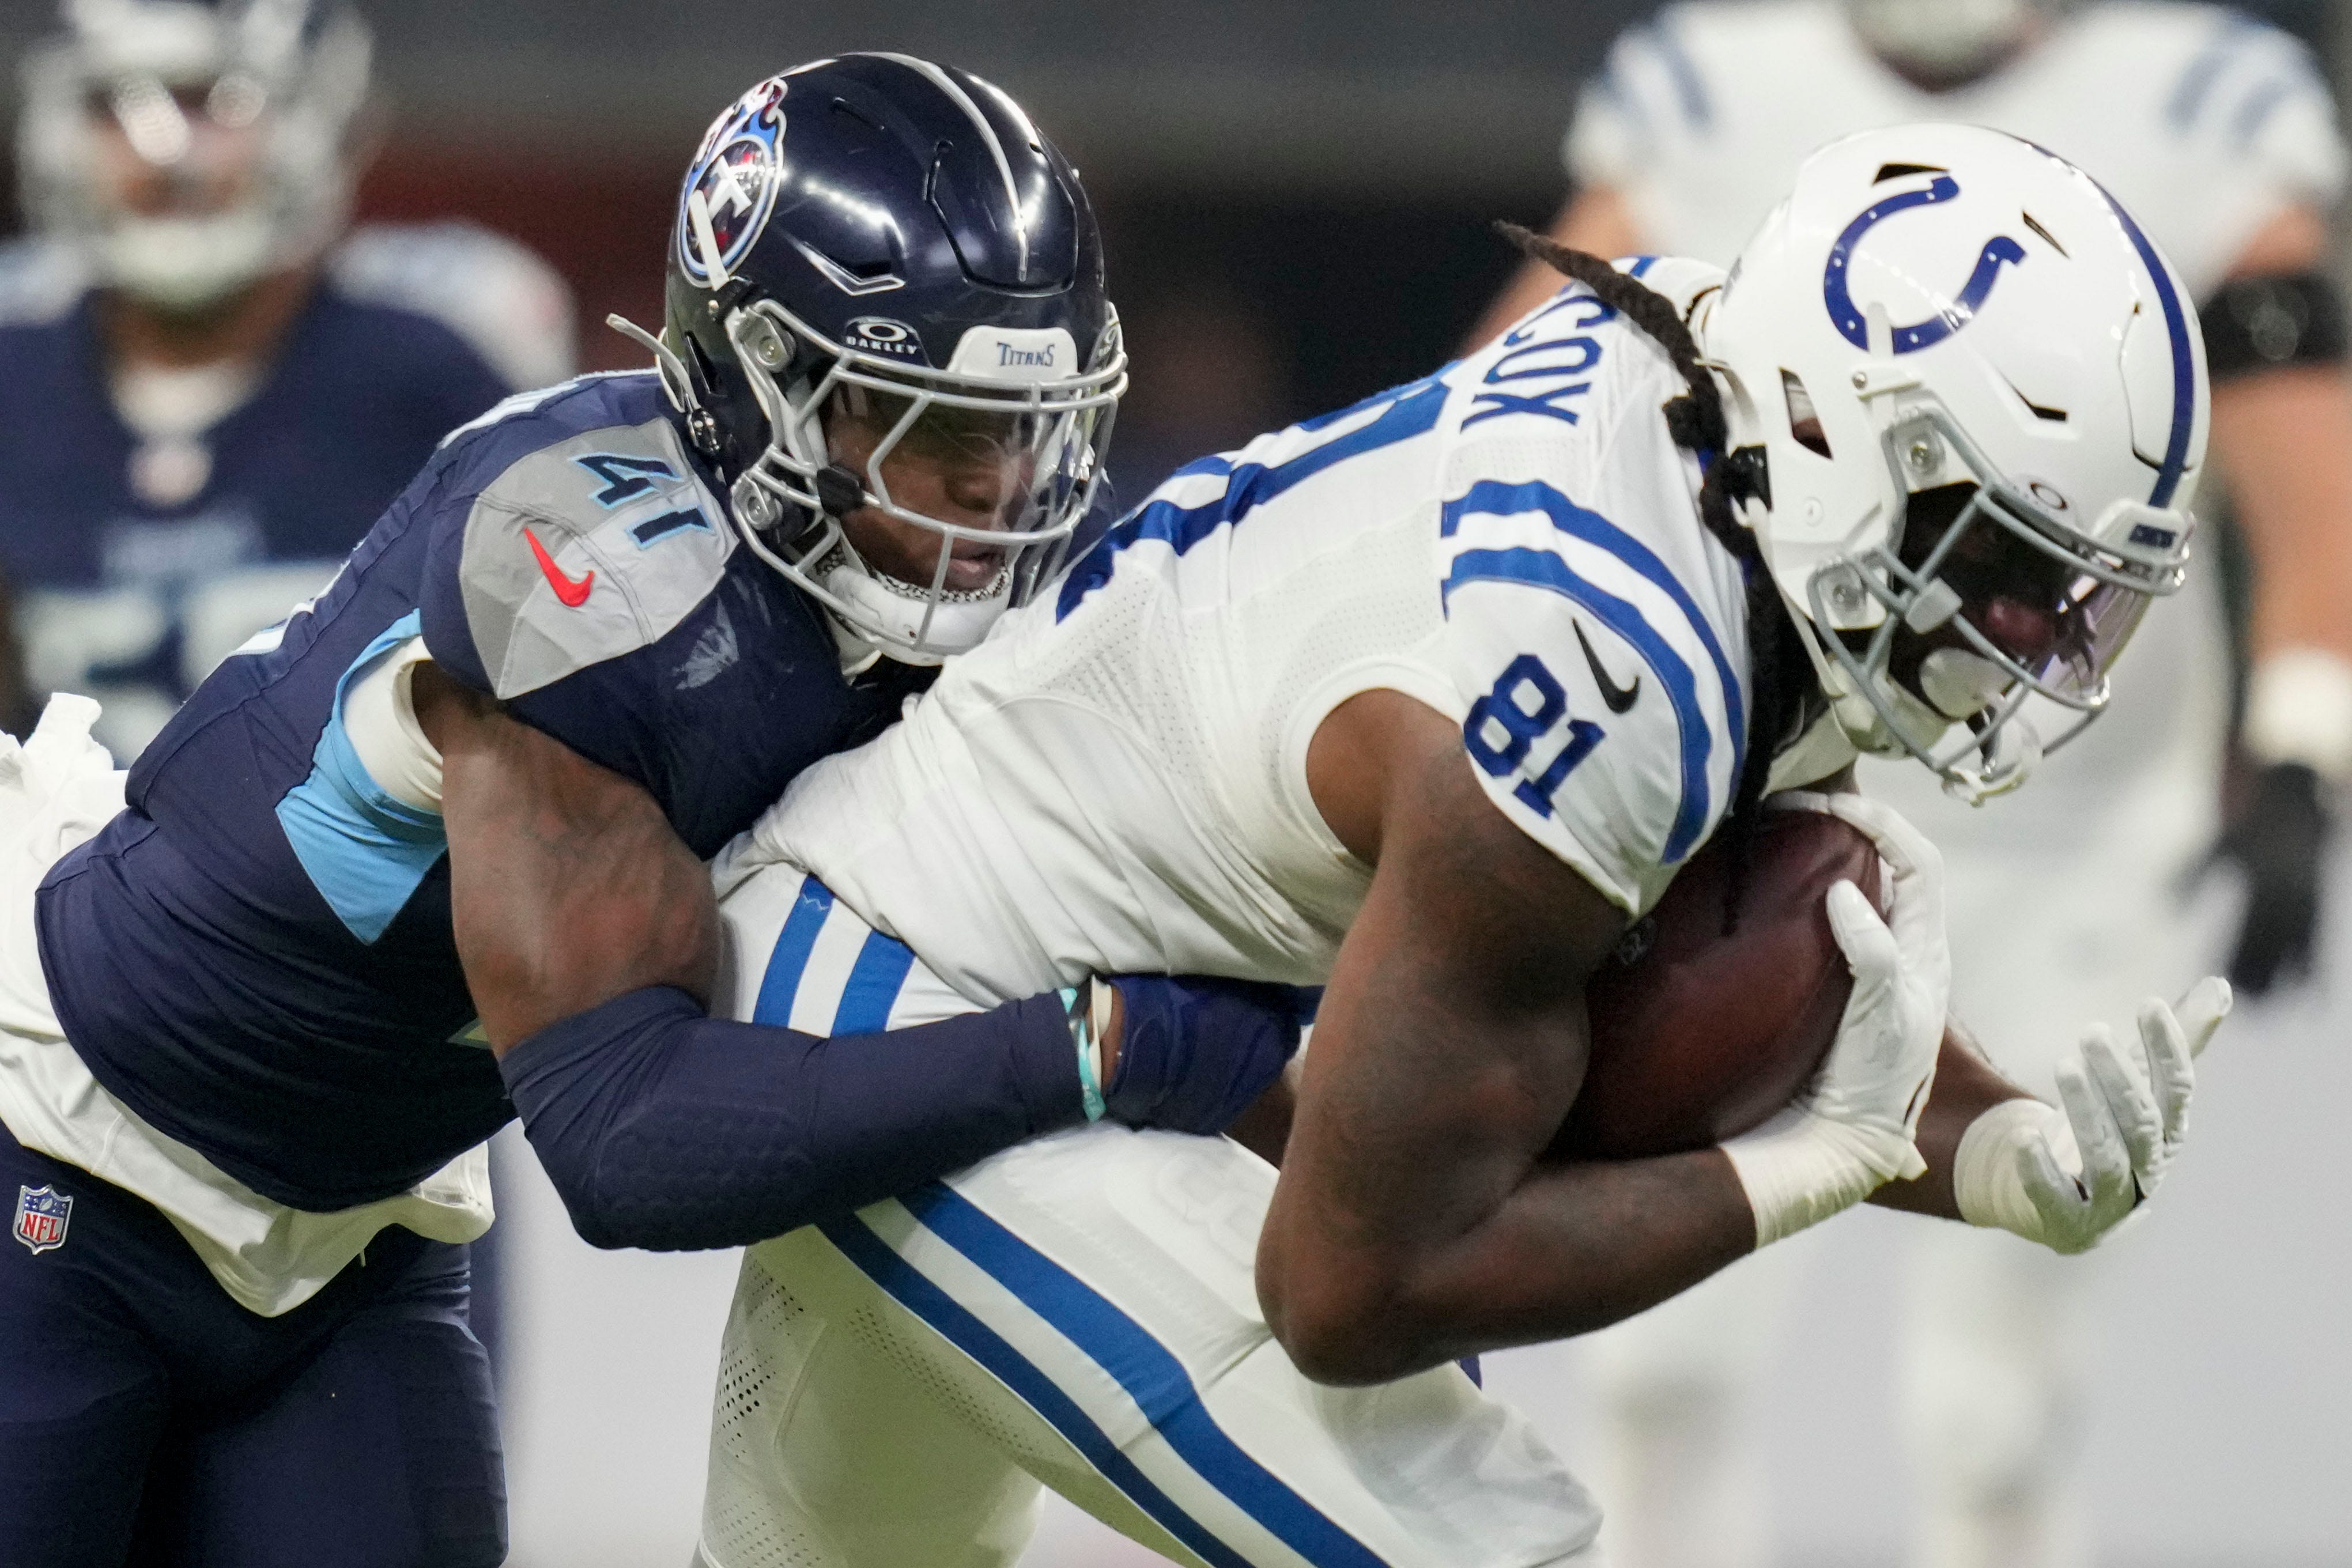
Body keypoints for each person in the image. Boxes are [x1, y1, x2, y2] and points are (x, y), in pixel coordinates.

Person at [682, 124, 2229, 1568]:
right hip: (906, 1006)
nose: (2031, 637)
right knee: (1487, 1541)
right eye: (1998, 556)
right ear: (1836, 437)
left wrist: (2003, 1154)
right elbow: (1354, 1291)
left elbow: (1796, 976)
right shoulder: (1595, 683)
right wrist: (1803, 1167)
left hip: (1008, 969)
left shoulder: (1719, 389)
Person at [0, 55, 1296, 1568]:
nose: (994, 494)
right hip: (73, 1149)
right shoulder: (594, 575)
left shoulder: (927, 572)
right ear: (759, 380)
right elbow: (628, 1141)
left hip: (354, 1227)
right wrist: (1086, 1051)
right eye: (925, 420)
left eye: (1028, 426)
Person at [1466, 5, 2349, 1563]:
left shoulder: (2196, 108)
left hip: (2077, 829)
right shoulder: (1721, 84)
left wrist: (2303, 744)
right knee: (1660, 1361)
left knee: (1990, 1405)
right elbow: (1508, 407)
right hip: (1781, 802)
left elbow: (2305, 461)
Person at [1, 0, 577, 762]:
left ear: (318, 117)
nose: (170, 158)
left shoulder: (442, 346)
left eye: (219, 103)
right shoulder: (16, 356)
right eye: (120, 105)